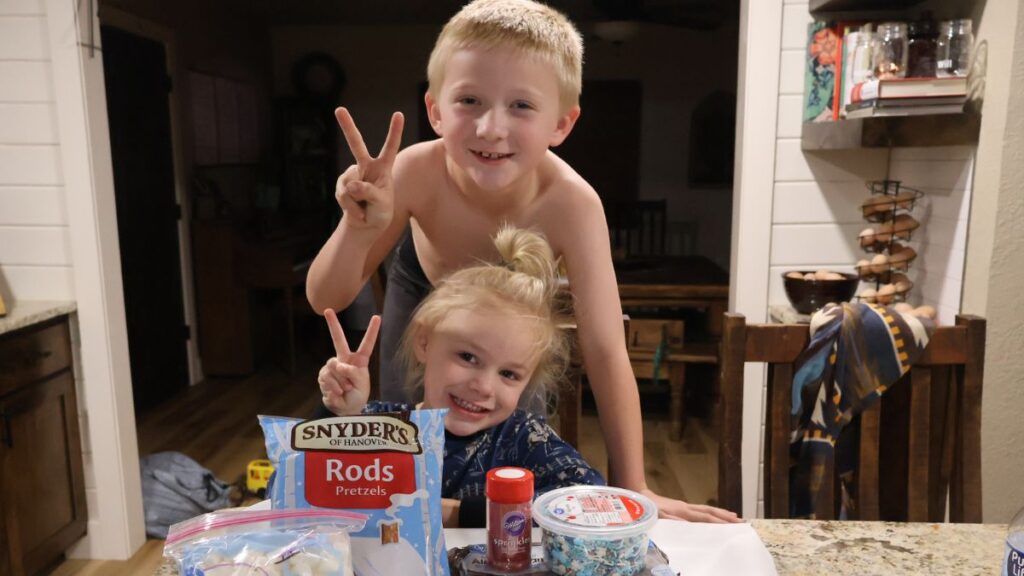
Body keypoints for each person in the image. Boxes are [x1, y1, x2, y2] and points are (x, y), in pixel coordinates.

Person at [306, 0, 739, 523]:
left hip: (518, 311)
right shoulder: (415, 171)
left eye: (521, 106)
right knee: (407, 449)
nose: (491, 127)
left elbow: (604, 348)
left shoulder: (573, 203)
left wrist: (635, 486)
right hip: (426, 293)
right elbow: (325, 298)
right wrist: (357, 229)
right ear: (436, 110)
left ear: (562, 123)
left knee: (513, 455)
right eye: (469, 100)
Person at [317, 227, 605, 528]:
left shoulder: (522, 438)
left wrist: (452, 513)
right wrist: (338, 414)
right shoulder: (377, 427)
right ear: (424, 342)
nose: (482, 386)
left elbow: (585, 500)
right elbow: (288, 492)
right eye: (468, 357)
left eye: (508, 374)